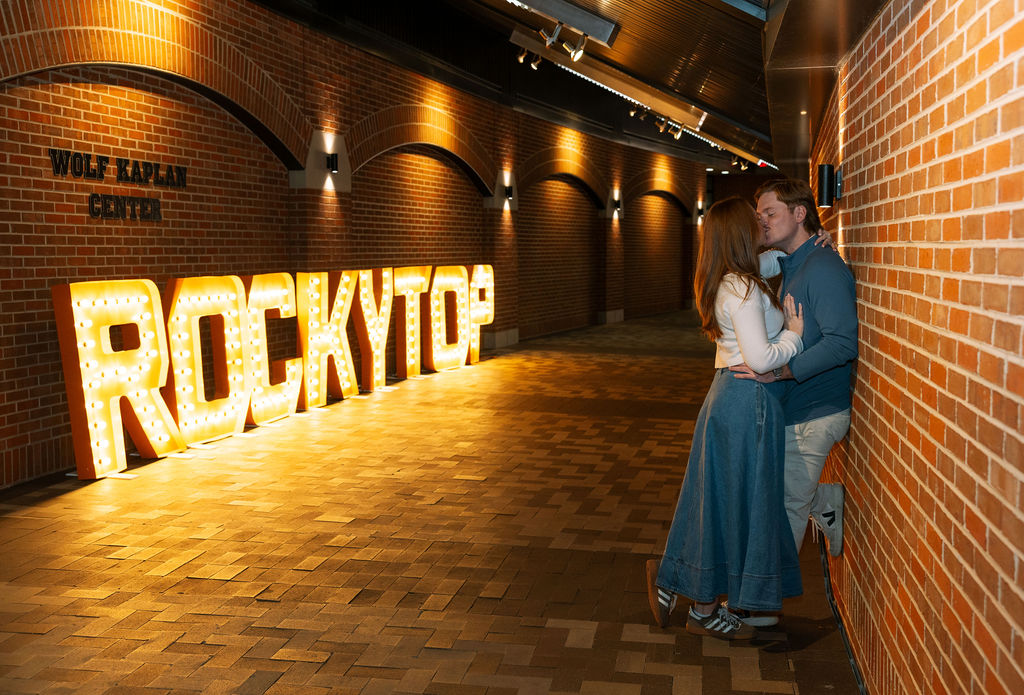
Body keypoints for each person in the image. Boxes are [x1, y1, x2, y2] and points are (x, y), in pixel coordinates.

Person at [645, 197, 805, 640]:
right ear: (739, 232)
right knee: (736, 504)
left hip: (728, 398)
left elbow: (771, 260)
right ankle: (700, 603)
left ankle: (682, 581)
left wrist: (806, 246)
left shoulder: (730, 279)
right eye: (755, 221)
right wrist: (794, 335)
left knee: (714, 498)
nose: (762, 224)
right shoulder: (746, 289)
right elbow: (759, 357)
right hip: (746, 401)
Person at [732, 178, 858, 561]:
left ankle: (758, 607)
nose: (763, 223)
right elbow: (738, 261)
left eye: (771, 213)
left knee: (782, 512)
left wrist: (782, 372)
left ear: (799, 213)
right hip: (793, 408)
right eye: (759, 216)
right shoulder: (794, 260)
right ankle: (822, 499)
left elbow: (842, 343)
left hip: (816, 414)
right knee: (772, 497)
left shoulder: (821, 267)